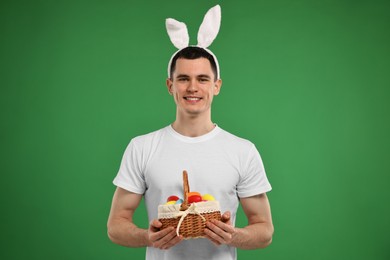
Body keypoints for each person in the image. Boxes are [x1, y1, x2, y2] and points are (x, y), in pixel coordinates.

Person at [107, 5, 273, 260]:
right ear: (170, 85)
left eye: (203, 79)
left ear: (216, 86)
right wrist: (147, 237)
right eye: (183, 78)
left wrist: (232, 235)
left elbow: (264, 230)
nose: (192, 87)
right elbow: (116, 226)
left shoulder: (243, 151)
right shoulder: (142, 147)